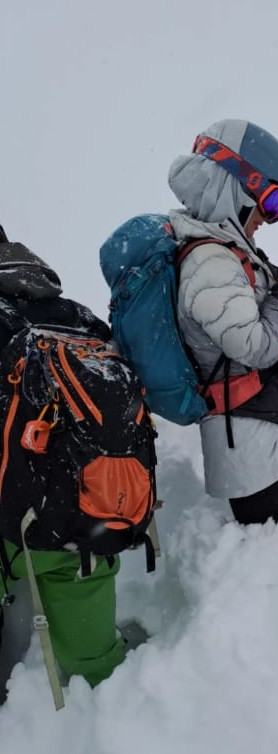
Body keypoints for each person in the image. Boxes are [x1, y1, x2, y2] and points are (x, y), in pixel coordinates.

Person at [166, 118, 278, 525]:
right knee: (272, 564)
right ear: (233, 186)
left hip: (266, 427)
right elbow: (253, 346)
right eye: (270, 203)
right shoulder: (209, 261)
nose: (267, 219)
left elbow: (256, 314)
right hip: (246, 445)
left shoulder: (227, 250)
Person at [0, 235, 126, 693]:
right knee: (99, 672)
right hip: (83, 512)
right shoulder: (76, 316)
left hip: (12, 509)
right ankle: (111, 704)